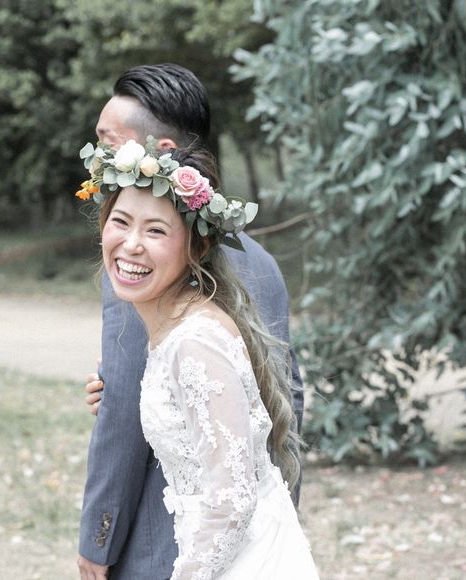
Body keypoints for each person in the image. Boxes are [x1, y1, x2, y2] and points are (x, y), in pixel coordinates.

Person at [78, 64, 305, 580]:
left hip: (169, 548)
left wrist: (98, 537)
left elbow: (122, 420)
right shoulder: (262, 261)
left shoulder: (140, 268)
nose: (96, 162)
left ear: (159, 153)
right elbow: (284, 400)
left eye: (108, 145)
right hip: (259, 538)